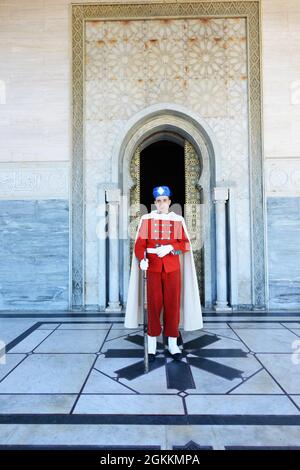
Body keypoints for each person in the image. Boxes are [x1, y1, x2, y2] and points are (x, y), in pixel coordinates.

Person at [125, 185, 203, 361]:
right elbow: (140, 244)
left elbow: (185, 245)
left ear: (169, 202)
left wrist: (171, 248)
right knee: (153, 306)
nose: (161, 204)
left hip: (172, 269)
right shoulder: (147, 219)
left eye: (164, 201)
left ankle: (173, 343)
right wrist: (141, 259)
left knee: (172, 305)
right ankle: (152, 343)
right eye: (158, 201)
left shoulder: (177, 220)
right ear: (155, 203)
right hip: (152, 268)